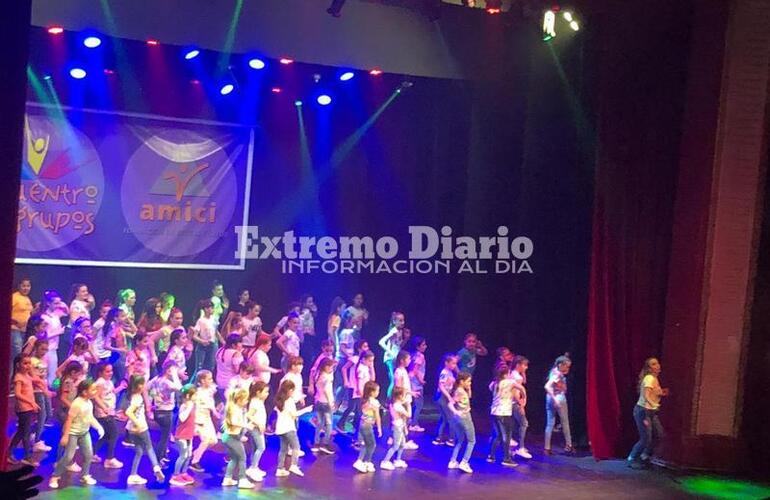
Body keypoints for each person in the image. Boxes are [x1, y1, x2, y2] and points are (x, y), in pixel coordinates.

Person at [48, 379, 104, 489]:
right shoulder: (77, 404)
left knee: (89, 455)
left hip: (84, 432)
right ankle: (55, 476)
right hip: (73, 433)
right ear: (84, 392)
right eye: (92, 390)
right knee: (68, 456)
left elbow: (90, 417)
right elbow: (69, 419)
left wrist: (98, 427)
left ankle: (85, 475)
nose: (95, 391)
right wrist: (65, 435)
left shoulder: (89, 403)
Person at [627, 357, 668, 468]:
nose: (657, 365)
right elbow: (646, 395)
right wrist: (653, 404)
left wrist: (661, 393)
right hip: (643, 411)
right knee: (646, 438)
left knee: (659, 434)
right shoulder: (649, 378)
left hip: (651, 412)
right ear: (649, 368)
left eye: (657, 363)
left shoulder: (654, 379)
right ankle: (632, 458)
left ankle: (644, 456)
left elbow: (653, 393)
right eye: (654, 364)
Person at [125, 375, 165, 485]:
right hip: (140, 427)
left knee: (139, 451)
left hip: (131, 429)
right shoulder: (137, 398)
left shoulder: (131, 395)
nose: (145, 386)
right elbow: (129, 412)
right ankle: (156, 467)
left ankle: (133, 475)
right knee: (149, 448)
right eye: (143, 383)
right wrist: (138, 423)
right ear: (138, 386)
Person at [8, 355, 41, 467]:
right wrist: (32, 402)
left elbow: (35, 379)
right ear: (18, 365)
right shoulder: (18, 377)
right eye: (25, 363)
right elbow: (17, 394)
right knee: (25, 433)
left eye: (29, 363)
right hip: (24, 409)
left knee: (21, 432)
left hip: (27, 408)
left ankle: (9, 453)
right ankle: (27, 457)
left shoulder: (26, 375)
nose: (28, 366)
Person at [486, 365, 522, 467]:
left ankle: (491, 456)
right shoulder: (509, 382)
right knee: (506, 435)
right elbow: (521, 388)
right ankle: (506, 458)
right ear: (506, 374)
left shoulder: (493, 383)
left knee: (497, 435)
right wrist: (523, 400)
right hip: (504, 412)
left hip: (494, 412)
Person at [148, 359, 182, 465]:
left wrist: (151, 400)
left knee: (164, 436)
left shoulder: (157, 379)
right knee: (164, 438)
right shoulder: (167, 383)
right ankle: (157, 460)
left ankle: (162, 456)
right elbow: (179, 388)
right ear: (168, 370)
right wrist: (175, 375)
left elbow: (146, 387)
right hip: (166, 412)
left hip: (157, 410)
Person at [93, 361, 126, 468]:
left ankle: (92, 453)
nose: (110, 373)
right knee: (114, 433)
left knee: (107, 435)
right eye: (107, 371)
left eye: (111, 371)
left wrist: (121, 387)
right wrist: (104, 408)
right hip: (103, 414)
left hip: (110, 412)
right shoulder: (100, 383)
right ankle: (109, 459)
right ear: (100, 373)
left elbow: (111, 393)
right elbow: (96, 397)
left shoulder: (109, 382)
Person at [221, 388, 254, 488]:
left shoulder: (237, 409)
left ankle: (227, 478)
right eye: (245, 399)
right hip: (232, 438)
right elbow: (234, 422)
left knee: (234, 458)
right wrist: (246, 425)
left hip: (230, 437)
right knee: (242, 458)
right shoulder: (234, 409)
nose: (247, 401)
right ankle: (243, 480)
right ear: (239, 400)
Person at [274, 379, 308, 477]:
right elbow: (294, 415)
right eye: (293, 390)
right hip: (289, 428)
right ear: (289, 390)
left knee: (283, 449)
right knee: (296, 447)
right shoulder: (289, 401)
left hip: (280, 428)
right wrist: (306, 410)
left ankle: (280, 469)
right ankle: (294, 465)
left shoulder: (279, 400)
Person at [189, 370, 220, 472]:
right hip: (200, 419)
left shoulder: (210, 390)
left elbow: (211, 402)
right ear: (202, 381)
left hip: (207, 418)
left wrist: (215, 411)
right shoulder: (198, 393)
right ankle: (194, 461)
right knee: (206, 440)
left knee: (213, 441)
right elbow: (194, 407)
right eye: (209, 379)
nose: (211, 380)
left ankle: (196, 452)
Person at [544, 354, 573, 455]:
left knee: (550, 423)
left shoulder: (553, 372)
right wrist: (555, 399)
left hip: (549, 398)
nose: (567, 368)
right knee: (565, 422)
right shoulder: (557, 375)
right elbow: (547, 386)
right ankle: (569, 445)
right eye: (567, 366)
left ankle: (547, 447)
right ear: (560, 365)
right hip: (558, 397)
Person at [170, 384, 197, 487]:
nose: (196, 397)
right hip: (181, 435)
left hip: (189, 435)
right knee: (183, 455)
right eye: (194, 395)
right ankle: (175, 475)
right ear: (188, 396)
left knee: (189, 455)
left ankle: (183, 473)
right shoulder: (184, 406)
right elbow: (182, 418)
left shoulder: (192, 405)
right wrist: (189, 408)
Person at [448, 372, 475, 474]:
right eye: (468, 381)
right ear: (462, 381)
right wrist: (456, 412)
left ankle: (453, 461)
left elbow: (470, 396)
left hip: (458, 419)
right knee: (472, 441)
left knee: (459, 440)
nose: (470, 383)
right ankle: (464, 462)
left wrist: (468, 387)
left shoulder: (460, 390)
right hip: (465, 417)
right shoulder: (460, 392)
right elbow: (450, 404)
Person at [352, 380, 382, 473]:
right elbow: (377, 416)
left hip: (362, 424)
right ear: (372, 392)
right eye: (377, 391)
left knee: (364, 444)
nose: (378, 393)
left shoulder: (364, 400)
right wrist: (380, 428)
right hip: (368, 426)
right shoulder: (374, 402)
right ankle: (366, 461)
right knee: (372, 445)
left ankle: (361, 460)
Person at [40, 290, 68, 386]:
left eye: (58, 303)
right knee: (45, 373)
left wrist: (62, 304)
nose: (58, 305)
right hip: (46, 349)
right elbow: (43, 335)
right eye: (55, 303)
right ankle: (45, 394)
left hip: (54, 348)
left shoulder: (56, 314)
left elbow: (67, 312)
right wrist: (58, 332)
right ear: (48, 303)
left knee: (53, 374)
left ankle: (50, 394)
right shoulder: (44, 317)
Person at [380, 386, 411, 470]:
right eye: (404, 395)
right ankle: (385, 461)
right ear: (400, 396)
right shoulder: (397, 406)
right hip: (397, 427)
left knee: (402, 444)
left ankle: (398, 459)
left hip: (400, 426)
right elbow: (409, 415)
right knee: (396, 446)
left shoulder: (395, 404)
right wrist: (408, 405)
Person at [393, 350, 418, 449]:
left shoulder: (403, 370)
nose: (410, 361)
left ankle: (402, 440)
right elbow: (399, 388)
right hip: (402, 399)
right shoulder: (399, 372)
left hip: (406, 398)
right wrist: (411, 393)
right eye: (408, 359)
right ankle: (401, 440)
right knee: (404, 420)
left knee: (406, 420)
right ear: (402, 360)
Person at [432, 353, 459, 446]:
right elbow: (441, 386)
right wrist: (449, 397)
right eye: (453, 363)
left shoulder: (450, 372)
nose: (454, 366)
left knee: (444, 419)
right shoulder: (444, 373)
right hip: (442, 397)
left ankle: (439, 438)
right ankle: (451, 439)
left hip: (445, 397)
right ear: (446, 363)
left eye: (455, 364)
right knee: (451, 418)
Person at [245, 380, 269, 481]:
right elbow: (249, 415)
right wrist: (259, 424)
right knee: (261, 447)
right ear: (258, 392)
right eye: (265, 392)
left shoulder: (258, 401)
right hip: (255, 428)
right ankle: (253, 468)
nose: (267, 394)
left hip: (258, 428)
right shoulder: (255, 402)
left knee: (255, 448)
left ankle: (254, 466)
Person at [312, 358, 336, 454]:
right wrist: (331, 402)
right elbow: (327, 390)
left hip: (318, 401)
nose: (332, 369)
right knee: (329, 424)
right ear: (326, 367)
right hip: (326, 403)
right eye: (330, 367)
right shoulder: (327, 377)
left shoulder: (318, 374)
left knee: (320, 423)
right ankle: (325, 444)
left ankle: (316, 443)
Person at [378, 311, 406, 398]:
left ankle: (394, 399)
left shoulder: (400, 331)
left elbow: (398, 345)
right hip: (390, 358)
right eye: (400, 320)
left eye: (403, 320)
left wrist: (406, 339)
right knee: (393, 381)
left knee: (396, 380)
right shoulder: (393, 331)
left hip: (396, 357)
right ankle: (389, 402)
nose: (403, 322)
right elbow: (381, 342)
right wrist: (390, 353)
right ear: (394, 321)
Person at [511, 355, 532, 459]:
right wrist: (521, 405)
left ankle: (516, 446)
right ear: (518, 365)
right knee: (524, 423)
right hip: (514, 403)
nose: (526, 367)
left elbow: (524, 381)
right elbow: (515, 392)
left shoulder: (516, 374)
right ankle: (521, 447)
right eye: (525, 365)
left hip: (513, 403)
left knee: (515, 424)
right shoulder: (516, 377)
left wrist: (523, 372)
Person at [192, 300, 220, 375]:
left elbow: (216, 331)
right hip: (202, 346)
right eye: (208, 308)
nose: (210, 310)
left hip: (213, 345)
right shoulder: (201, 321)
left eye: (212, 308)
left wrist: (223, 341)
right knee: (199, 367)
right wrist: (202, 341)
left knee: (211, 366)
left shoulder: (215, 319)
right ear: (204, 309)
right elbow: (194, 336)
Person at [10, 278, 33, 364]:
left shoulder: (27, 299)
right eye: (24, 286)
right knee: (16, 356)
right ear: (19, 286)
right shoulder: (14, 297)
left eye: (28, 286)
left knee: (20, 356)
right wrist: (16, 322)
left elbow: (29, 313)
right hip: (15, 330)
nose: (26, 288)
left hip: (24, 331)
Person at [407, 336, 427, 432]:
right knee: (419, 404)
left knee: (411, 403)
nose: (425, 346)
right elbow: (415, 370)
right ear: (417, 347)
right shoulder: (420, 356)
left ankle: (410, 422)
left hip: (411, 381)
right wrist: (421, 380)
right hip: (416, 383)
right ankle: (414, 424)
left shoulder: (412, 354)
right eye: (423, 345)